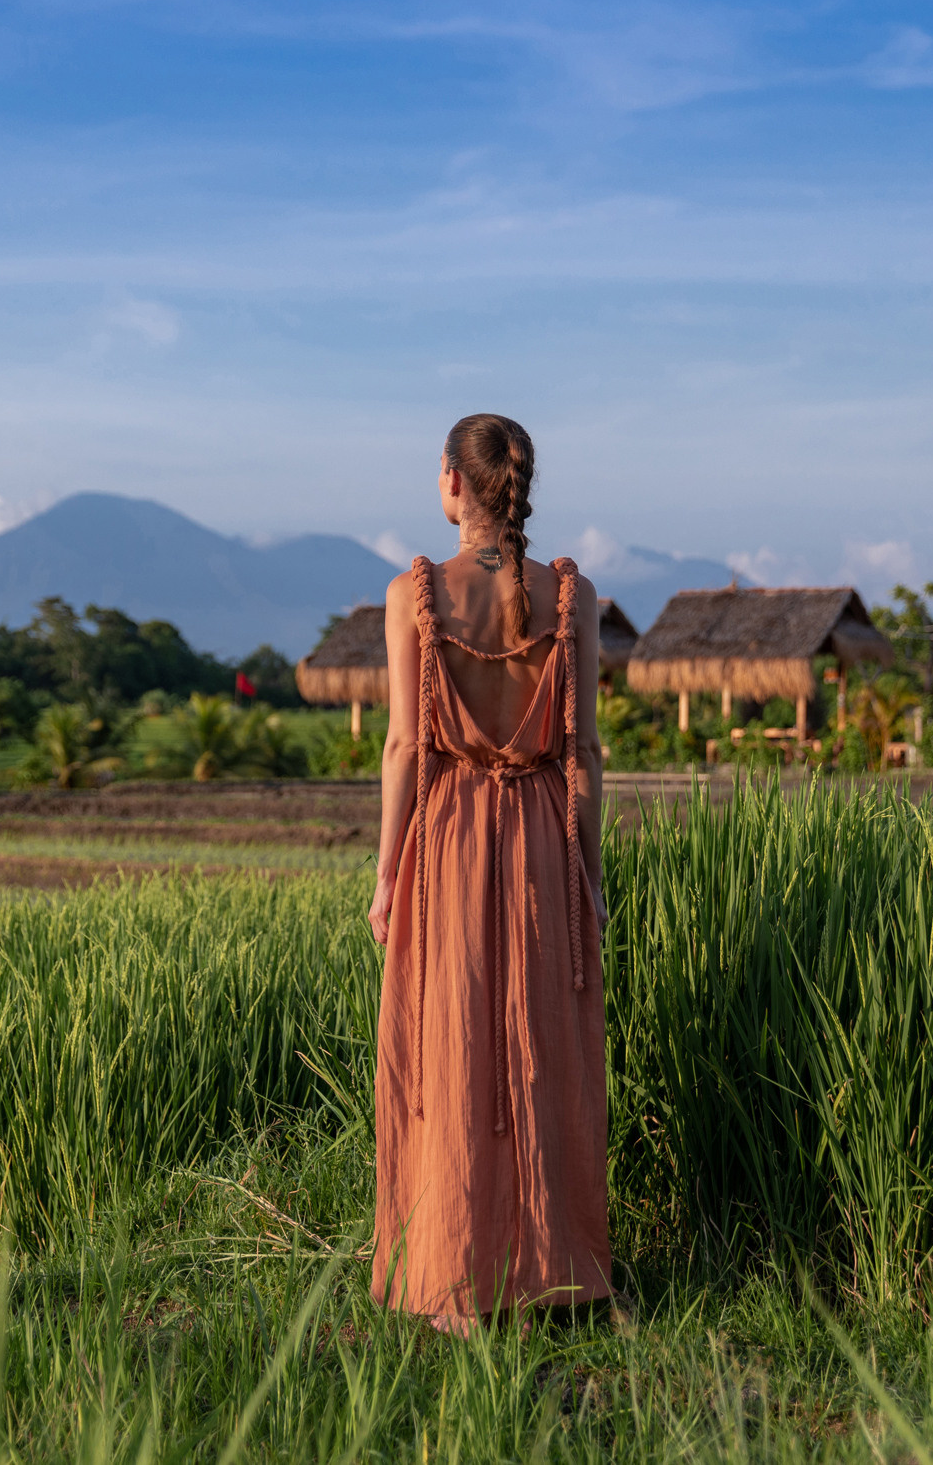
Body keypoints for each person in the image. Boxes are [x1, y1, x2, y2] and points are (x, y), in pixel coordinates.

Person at [367, 413, 611, 1336]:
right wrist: (588, 871)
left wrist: (388, 874)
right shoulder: (571, 595)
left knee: (453, 1041)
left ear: (453, 484)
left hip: (451, 836)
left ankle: (456, 1276)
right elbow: (583, 746)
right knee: (541, 1042)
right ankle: (550, 1269)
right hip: (546, 832)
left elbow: (402, 745)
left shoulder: (413, 593)